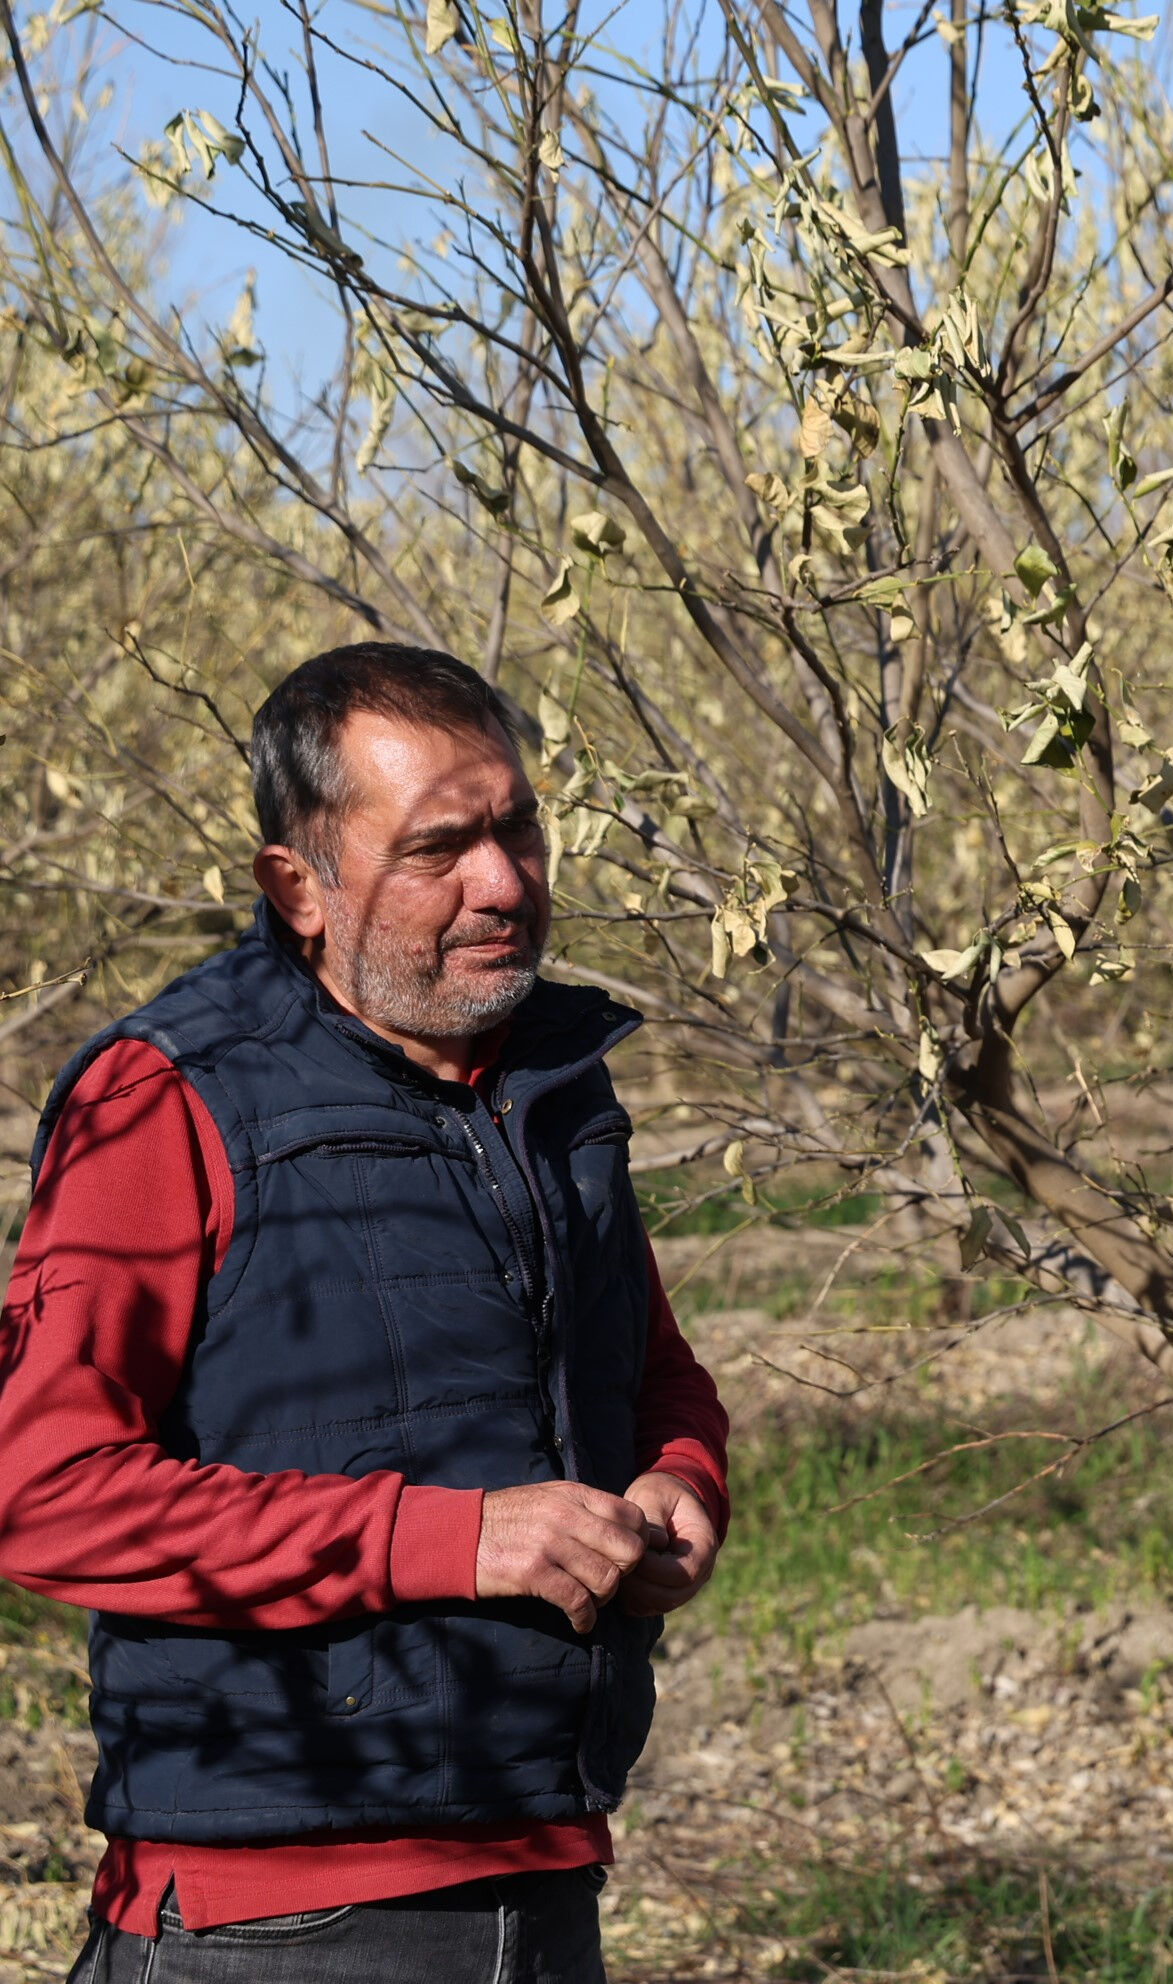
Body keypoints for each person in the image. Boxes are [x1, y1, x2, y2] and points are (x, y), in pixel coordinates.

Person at [1, 644, 729, 1982]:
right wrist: (446, 1540)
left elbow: (653, 1365)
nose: (505, 883)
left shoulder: (553, 1082)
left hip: (545, 1876)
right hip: (268, 1927)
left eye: (518, 829)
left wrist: (681, 1480)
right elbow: (43, 1493)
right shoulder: (166, 1101)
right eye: (439, 848)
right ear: (302, 887)